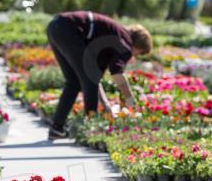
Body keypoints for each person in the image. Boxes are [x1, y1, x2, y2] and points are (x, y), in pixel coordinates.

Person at [46, 11, 153, 140]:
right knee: (85, 81)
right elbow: (117, 74)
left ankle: (57, 128)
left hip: (56, 26)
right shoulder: (126, 43)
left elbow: (95, 79)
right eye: (139, 53)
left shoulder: (115, 37)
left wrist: (106, 105)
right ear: (138, 46)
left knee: (74, 82)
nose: (134, 56)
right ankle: (91, 129)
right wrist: (130, 100)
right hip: (69, 28)